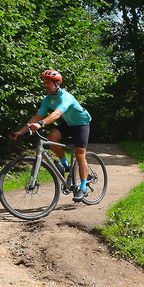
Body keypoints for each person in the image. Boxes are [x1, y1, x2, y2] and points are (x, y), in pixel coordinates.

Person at [13, 69, 92, 202]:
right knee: (52, 137)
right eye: (45, 83)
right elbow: (37, 116)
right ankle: (65, 165)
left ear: (57, 83)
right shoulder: (47, 99)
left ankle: (83, 188)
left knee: (79, 154)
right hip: (68, 123)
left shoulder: (65, 96)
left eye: (48, 82)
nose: (45, 85)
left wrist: (41, 123)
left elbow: (56, 114)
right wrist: (21, 131)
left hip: (81, 123)